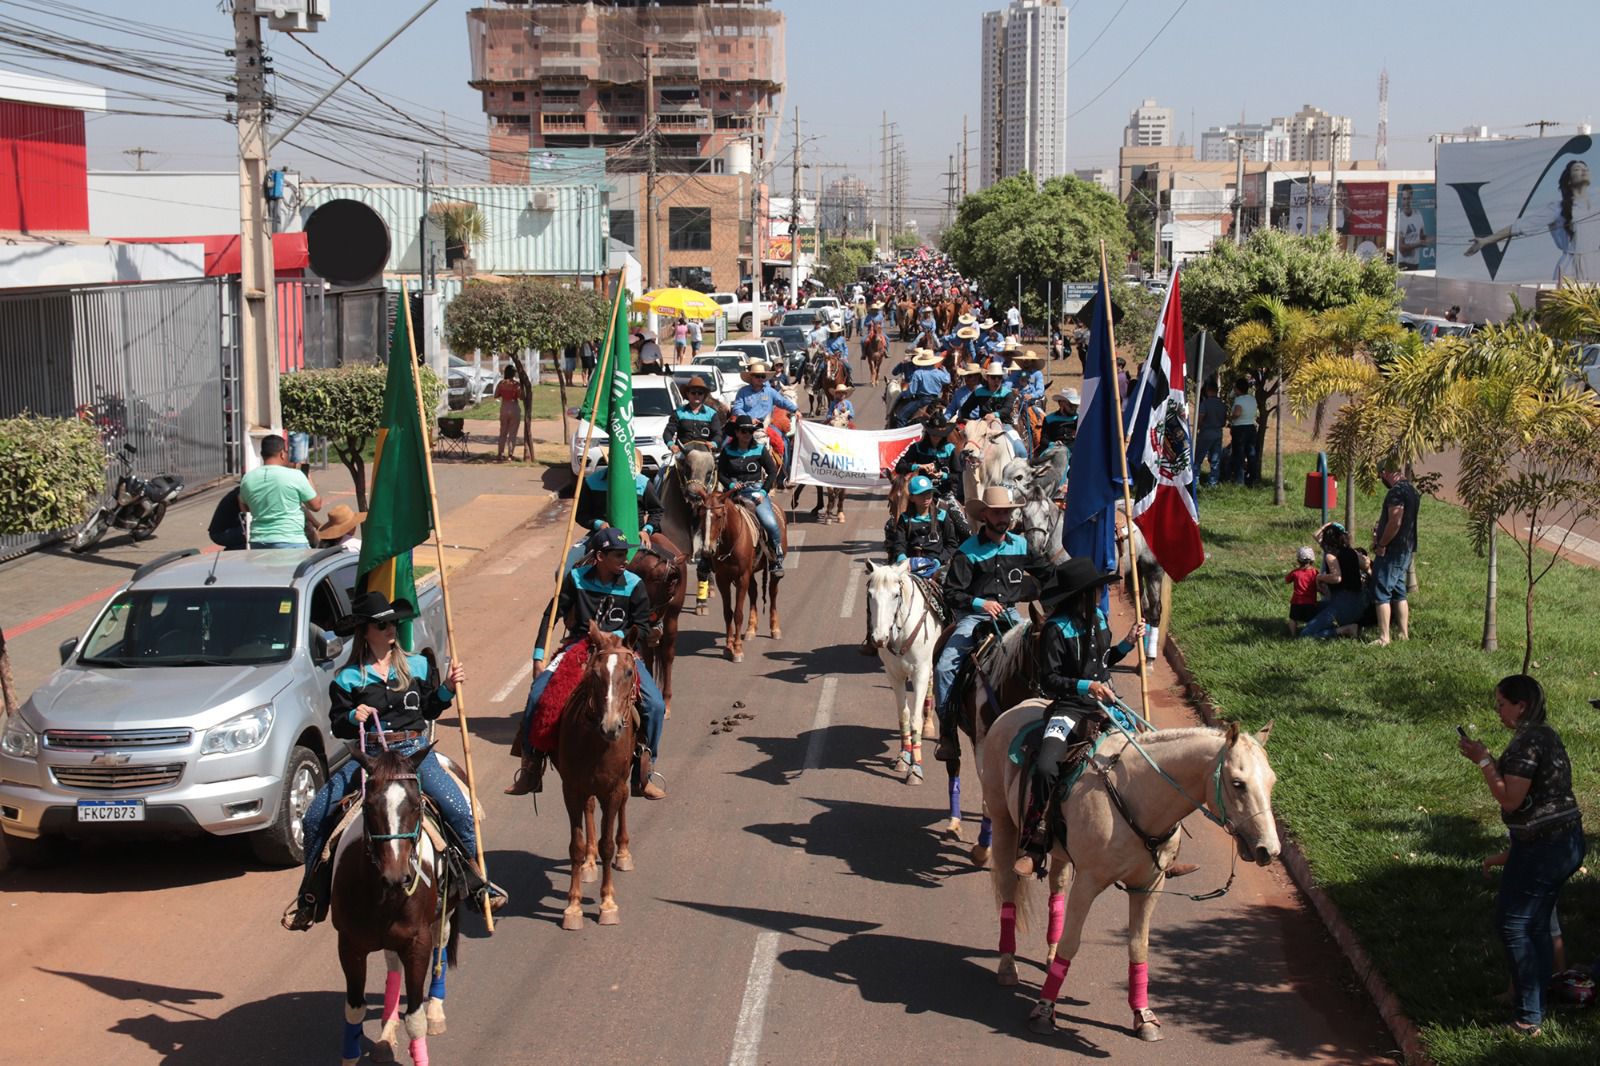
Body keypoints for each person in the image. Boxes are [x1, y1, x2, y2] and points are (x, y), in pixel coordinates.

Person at [282, 591, 502, 930]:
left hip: (413, 753)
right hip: (370, 757)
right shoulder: (347, 678)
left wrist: (447, 687)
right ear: (365, 631)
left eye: (393, 624)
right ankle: (311, 898)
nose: (391, 630)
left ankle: (475, 885)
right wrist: (353, 715)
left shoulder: (418, 665)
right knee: (314, 817)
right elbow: (339, 724)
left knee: (460, 811)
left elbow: (430, 707)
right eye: (382, 625)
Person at [1457, 675, 1586, 1037]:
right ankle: (1536, 1001)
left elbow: (1511, 799)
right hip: (1564, 841)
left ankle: (1528, 1018)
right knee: (1536, 923)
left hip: (1545, 847)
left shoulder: (1528, 742)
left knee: (1514, 923)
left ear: (1521, 706)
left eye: (1502, 704)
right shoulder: (1544, 735)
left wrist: (1484, 761)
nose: (1497, 711)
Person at [510, 528, 668, 800]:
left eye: (625, 554)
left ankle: (644, 772)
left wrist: (616, 637)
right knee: (537, 695)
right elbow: (552, 615)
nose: (625, 559)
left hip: (620, 652)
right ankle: (531, 767)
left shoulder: (634, 584)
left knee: (655, 705)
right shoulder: (575, 579)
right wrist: (538, 655)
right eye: (618, 555)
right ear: (600, 557)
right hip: (580, 646)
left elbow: (642, 626)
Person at [1012, 558, 1144, 877]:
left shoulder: (1098, 619)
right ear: (1079, 595)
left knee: (1147, 754)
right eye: (1095, 590)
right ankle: (1035, 841)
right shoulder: (1055, 629)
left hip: (1106, 705)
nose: (1100, 595)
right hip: (1069, 708)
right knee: (1046, 767)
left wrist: (1128, 643)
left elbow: (1102, 661)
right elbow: (1049, 681)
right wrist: (1086, 686)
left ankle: (1154, 844)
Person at [932, 486, 1046, 761]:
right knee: (945, 666)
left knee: (1042, 651)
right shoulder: (967, 551)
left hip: (1011, 615)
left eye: (1006, 512)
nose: (1003, 518)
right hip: (974, 618)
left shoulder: (1021, 546)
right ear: (984, 515)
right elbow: (951, 593)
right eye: (997, 513)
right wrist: (979, 603)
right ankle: (948, 734)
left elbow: (1048, 573)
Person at [1466, 160, 1596, 282]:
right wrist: (1486, 240)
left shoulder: (1597, 206)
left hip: (1595, 266)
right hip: (1570, 269)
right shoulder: (1557, 208)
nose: (1584, 171)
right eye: (1577, 169)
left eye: (1586, 169)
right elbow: (1520, 227)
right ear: (1569, 180)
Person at [719, 414, 785, 574]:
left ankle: (776, 556)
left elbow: (772, 471)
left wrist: (763, 491)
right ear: (736, 432)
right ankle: (706, 560)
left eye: (750, 431)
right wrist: (731, 484)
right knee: (712, 518)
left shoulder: (760, 449)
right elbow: (720, 473)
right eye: (743, 431)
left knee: (770, 522)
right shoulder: (727, 451)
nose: (747, 434)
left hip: (755, 492)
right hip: (733, 494)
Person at [240, 434, 322, 549]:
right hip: (290, 540)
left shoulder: (247, 478)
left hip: (258, 541)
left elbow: (244, 508)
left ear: (262, 454)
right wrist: (308, 477)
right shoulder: (295, 475)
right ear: (282, 453)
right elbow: (316, 505)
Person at [1370, 457, 1420, 646]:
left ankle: (1384, 637)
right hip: (1407, 548)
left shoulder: (1396, 492)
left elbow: (1395, 521)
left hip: (1393, 549)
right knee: (1399, 591)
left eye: (1380, 476)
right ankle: (1403, 633)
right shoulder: (1411, 490)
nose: (1381, 479)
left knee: (1381, 589)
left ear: (1385, 473)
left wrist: (1382, 544)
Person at [884, 474, 962, 572]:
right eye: (921, 494)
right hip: (910, 565)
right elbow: (899, 543)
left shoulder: (942, 516)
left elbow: (951, 545)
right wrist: (902, 558)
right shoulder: (904, 519)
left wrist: (939, 560)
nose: (926, 497)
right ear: (912, 498)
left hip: (937, 566)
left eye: (929, 493)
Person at [1299, 523, 1364, 639]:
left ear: (1326, 541)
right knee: (1314, 607)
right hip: (1358, 603)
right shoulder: (1352, 552)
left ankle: (1345, 629)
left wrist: (1319, 577)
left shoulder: (1330, 556)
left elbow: (1336, 578)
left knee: (1305, 634)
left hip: (1342, 604)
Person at [893, 411, 960, 499]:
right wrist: (920, 466)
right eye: (933, 433)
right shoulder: (916, 447)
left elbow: (958, 476)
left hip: (945, 493)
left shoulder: (950, 449)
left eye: (939, 434)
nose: (936, 436)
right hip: (920, 492)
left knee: (956, 508)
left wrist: (943, 475)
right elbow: (899, 467)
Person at [664, 376, 724, 454]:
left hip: (705, 454)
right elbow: (668, 432)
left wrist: (713, 443)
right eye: (693, 393)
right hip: (682, 454)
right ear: (687, 394)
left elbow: (718, 434)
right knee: (667, 462)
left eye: (700, 393)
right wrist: (671, 445)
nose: (696, 395)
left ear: (704, 395)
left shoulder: (712, 414)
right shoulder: (678, 413)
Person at [729, 361, 798, 428]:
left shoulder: (770, 391)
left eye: (762, 376)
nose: (760, 378)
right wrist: (748, 419)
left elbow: (782, 401)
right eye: (757, 376)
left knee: (780, 435)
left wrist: (795, 410)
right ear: (751, 377)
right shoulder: (743, 391)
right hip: (747, 425)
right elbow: (737, 408)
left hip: (766, 425)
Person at [892, 349, 950, 426]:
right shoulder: (939, 373)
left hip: (922, 400)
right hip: (936, 400)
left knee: (900, 417)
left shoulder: (918, 373)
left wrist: (904, 394)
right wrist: (945, 370)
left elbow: (912, 391)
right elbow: (948, 380)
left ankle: (901, 432)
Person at [1193, 382, 1228, 486]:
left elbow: (1200, 419)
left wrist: (1198, 428)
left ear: (1208, 391)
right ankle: (1213, 482)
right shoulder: (1222, 405)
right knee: (1215, 459)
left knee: (1198, 458)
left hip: (1206, 433)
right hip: (1218, 433)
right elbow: (1223, 422)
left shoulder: (1205, 404)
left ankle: (1195, 480)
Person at [1227, 380, 1259, 486]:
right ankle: (1253, 478)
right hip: (1251, 427)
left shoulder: (1239, 400)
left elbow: (1237, 413)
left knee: (1239, 454)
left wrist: (1230, 418)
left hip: (1240, 429)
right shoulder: (1252, 399)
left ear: (1237, 389)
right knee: (1251, 453)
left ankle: (1239, 480)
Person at [1285, 546, 1319, 636]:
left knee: (1293, 619)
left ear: (1298, 560)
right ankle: (1308, 634)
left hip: (1296, 602)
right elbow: (1319, 584)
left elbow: (1286, 580)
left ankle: (1293, 635)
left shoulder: (1295, 572)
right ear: (1312, 560)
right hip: (1310, 602)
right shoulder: (1315, 572)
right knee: (1311, 620)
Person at [1396, 186, 1430, 270]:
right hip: (1403, 263)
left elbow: (1422, 237)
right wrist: (1418, 244)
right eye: (1404, 199)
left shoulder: (1418, 215)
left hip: (1415, 263)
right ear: (1401, 200)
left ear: (1412, 199)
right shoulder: (1400, 218)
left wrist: (1429, 239)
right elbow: (1401, 248)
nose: (1406, 202)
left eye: (1408, 198)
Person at [494, 365, 523, 462]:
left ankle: (500, 453)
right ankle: (510, 455)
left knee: (503, 432)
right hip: (514, 407)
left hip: (504, 408)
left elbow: (496, 395)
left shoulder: (501, 383)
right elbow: (521, 397)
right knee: (512, 433)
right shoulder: (516, 384)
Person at [1041, 387, 1079, 452]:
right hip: (1055, 450)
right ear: (1061, 404)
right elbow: (1044, 440)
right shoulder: (1049, 419)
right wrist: (1052, 444)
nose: (1074, 408)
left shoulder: (1079, 419)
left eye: (1076, 405)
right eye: (1071, 405)